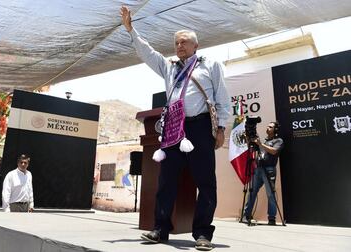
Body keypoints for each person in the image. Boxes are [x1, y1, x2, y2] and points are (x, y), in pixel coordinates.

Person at [120, 6, 231, 251]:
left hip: (200, 126)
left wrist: (221, 128)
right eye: (176, 43)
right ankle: (160, 229)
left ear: (195, 46)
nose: (179, 46)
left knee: (206, 181)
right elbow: (148, 54)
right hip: (173, 127)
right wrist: (131, 30)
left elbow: (223, 99)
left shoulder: (210, 66)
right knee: (166, 179)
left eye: (184, 42)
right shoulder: (169, 67)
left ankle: (203, 233)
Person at [243, 122, 283, 225]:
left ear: (275, 130)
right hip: (258, 168)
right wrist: (250, 141)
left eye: (270, 127)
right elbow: (252, 150)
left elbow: (274, 151)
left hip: (269, 169)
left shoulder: (278, 140)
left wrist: (260, 144)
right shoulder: (264, 140)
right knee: (252, 192)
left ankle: (271, 218)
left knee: (270, 194)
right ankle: (246, 215)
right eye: (267, 126)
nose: (267, 127)